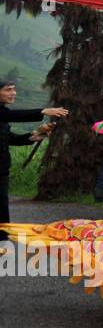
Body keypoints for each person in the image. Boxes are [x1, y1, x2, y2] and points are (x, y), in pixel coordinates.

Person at [0, 79, 65, 245]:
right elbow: (12, 115)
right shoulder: (4, 113)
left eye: (14, 89)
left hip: (1, 167)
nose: (13, 93)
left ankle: (2, 237)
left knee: (1, 202)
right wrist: (43, 111)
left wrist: (33, 135)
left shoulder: (3, 114)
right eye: (8, 89)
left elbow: (10, 138)